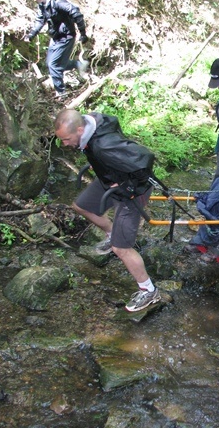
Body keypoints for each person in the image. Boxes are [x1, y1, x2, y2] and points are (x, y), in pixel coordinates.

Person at [54, 109, 160, 312]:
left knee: (122, 249)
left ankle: (149, 291)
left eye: (66, 140)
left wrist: (128, 187)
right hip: (110, 180)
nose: (65, 144)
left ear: (79, 129)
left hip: (132, 191)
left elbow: (145, 159)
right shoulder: (93, 123)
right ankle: (113, 234)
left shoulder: (104, 145)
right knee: (81, 206)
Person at [24, 0, 89, 98]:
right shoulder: (43, 3)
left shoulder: (58, 2)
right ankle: (78, 65)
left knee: (53, 65)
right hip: (55, 37)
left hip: (66, 37)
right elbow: (40, 20)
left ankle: (62, 93)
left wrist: (83, 33)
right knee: (53, 64)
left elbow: (76, 13)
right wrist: (31, 34)